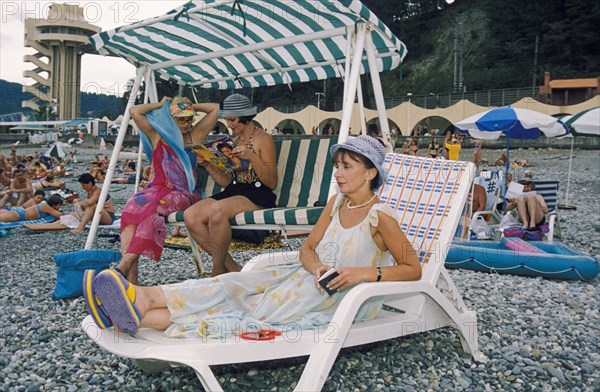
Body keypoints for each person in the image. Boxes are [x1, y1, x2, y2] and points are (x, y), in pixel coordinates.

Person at [83, 135, 422, 336]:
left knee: (244, 310)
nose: (338, 173)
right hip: (309, 278)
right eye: (338, 166)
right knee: (230, 285)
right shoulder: (336, 203)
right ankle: (139, 300)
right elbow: (307, 248)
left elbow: (412, 269)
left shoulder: (382, 217)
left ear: (371, 172)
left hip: (339, 298)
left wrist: (363, 273)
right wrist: (317, 267)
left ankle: (132, 310)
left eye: (347, 167)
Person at [115, 96, 219, 285]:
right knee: (130, 208)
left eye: (190, 118)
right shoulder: (158, 136)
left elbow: (214, 108)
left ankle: (124, 266)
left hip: (183, 192)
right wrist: (163, 105)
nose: (187, 123)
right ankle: (132, 279)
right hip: (156, 188)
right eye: (182, 119)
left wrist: (188, 105)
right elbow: (135, 111)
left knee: (153, 211)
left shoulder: (195, 136)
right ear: (171, 118)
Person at [184, 94, 278, 276]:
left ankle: (217, 270)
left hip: (257, 193)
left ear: (246, 117)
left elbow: (272, 182)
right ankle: (231, 266)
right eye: (227, 120)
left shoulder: (263, 139)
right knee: (191, 216)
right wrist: (208, 165)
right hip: (235, 191)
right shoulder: (232, 142)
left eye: (232, 120)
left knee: (217, 211)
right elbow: (227, 182)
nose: (229, 125)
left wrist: (251, 156)